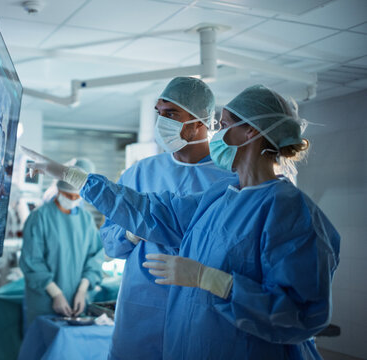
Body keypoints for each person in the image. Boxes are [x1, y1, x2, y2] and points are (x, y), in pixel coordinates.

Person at [22, 84, 340, 359]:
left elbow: (301, 314)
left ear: (250, 132)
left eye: (225, 123)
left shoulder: (289, 209)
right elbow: (149, 209)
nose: (218, 132)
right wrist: (69, 175)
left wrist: (212, 280)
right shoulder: (219, 196)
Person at [101, 77, 234, 360]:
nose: (161, 121)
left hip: (200, 307)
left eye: (171, 114)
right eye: (159, 113)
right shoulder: (139, 174)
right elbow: (110, 242)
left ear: (200, 122)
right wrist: (129, 233)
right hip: (140, 308)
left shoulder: (229, 179)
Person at [19, 158, 104, 329]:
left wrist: (82, 290)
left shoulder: (86, 219)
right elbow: (32, 262)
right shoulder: (39, 217)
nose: (73, 199)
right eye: (68, 195)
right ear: (58, 189)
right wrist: (56, 293)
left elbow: (95, 257)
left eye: (77, 196)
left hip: (77, 303)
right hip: (44, 302)